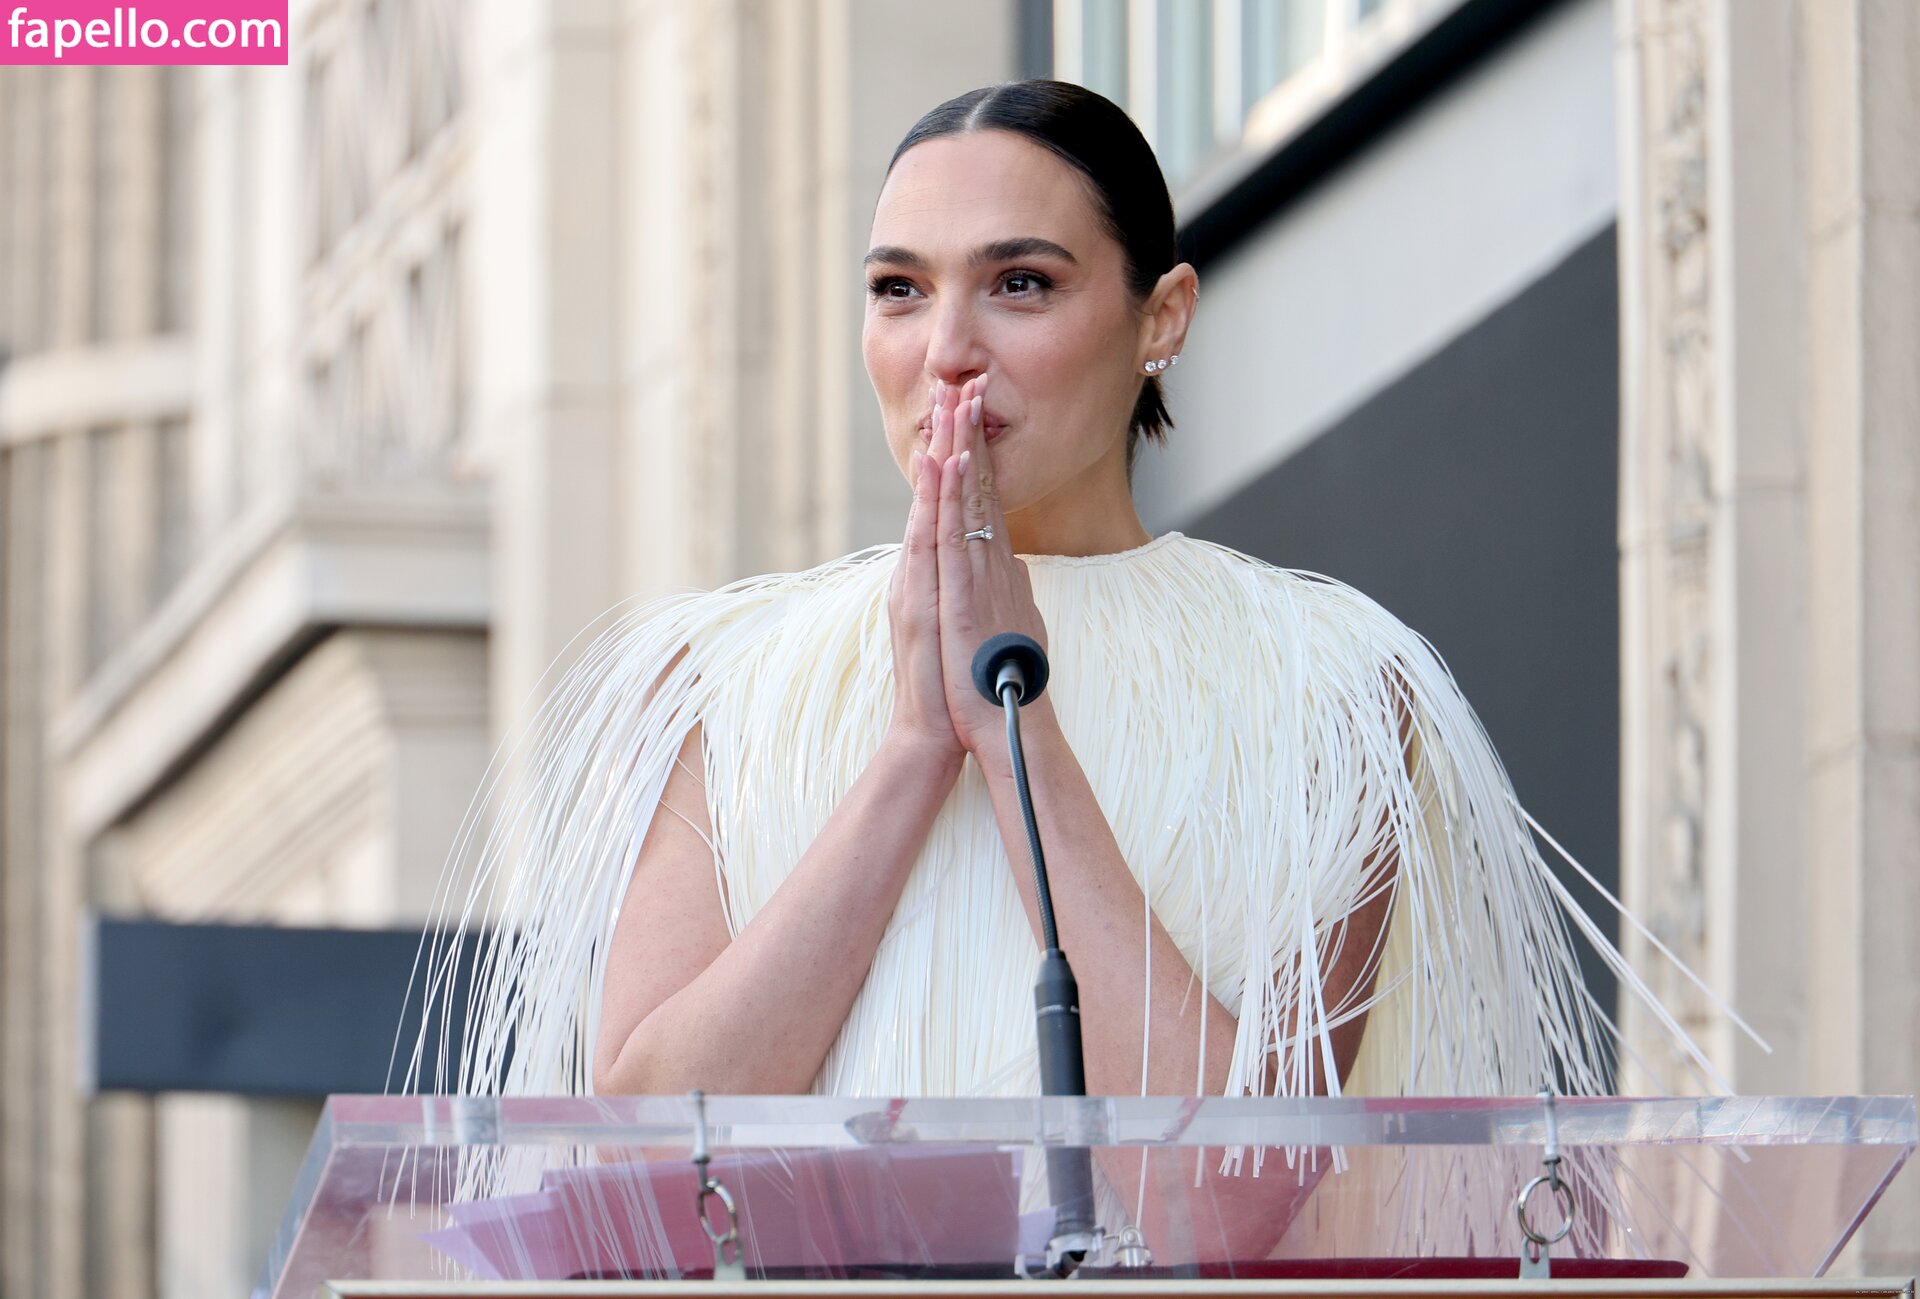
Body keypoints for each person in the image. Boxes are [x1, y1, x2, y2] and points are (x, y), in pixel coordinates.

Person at [411, 81, 1723, 1115]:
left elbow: (1245, 1180)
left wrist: (1016, 731)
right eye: (898, 290)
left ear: (1163, 318)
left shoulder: (1332, 683)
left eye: (1021, 283)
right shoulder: (729, 680)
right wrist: (914, 748)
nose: (947, 351)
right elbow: (649, 1137)